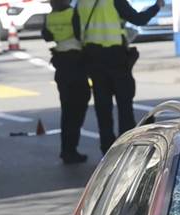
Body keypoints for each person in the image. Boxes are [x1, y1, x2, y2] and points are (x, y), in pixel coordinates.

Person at [76, 0, 162, 154]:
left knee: (103, 107)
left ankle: (107, 150)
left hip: (93, 58)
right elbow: (139, 19)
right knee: (124, 105)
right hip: (116, 57)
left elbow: (77, 31)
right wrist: (156, 7)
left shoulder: (82, 3)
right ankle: (127, 147)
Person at [42, 0, 89, 164]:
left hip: (61, 63)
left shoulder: (51, 15)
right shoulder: (72, 13)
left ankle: (66, 149)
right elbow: (80, 35)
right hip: (75, 62)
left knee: (67, 109)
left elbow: (47, 36)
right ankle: (71, 149)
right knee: (79, 107)